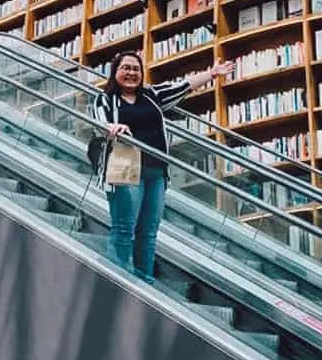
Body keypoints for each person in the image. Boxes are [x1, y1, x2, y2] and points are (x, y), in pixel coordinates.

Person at [90, 50, 233, 282]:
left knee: (148, 232)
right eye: (125, 68)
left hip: (156, 173)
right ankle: (118, 281)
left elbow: (183, 86)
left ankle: (144, 281)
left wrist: (213, 73)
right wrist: (111, 127)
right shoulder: (105, 98)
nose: (131, 73)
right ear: (115, 71)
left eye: (136, 69)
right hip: (125, 172)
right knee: (124, 228)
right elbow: (99, 121)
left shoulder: (151, 95)